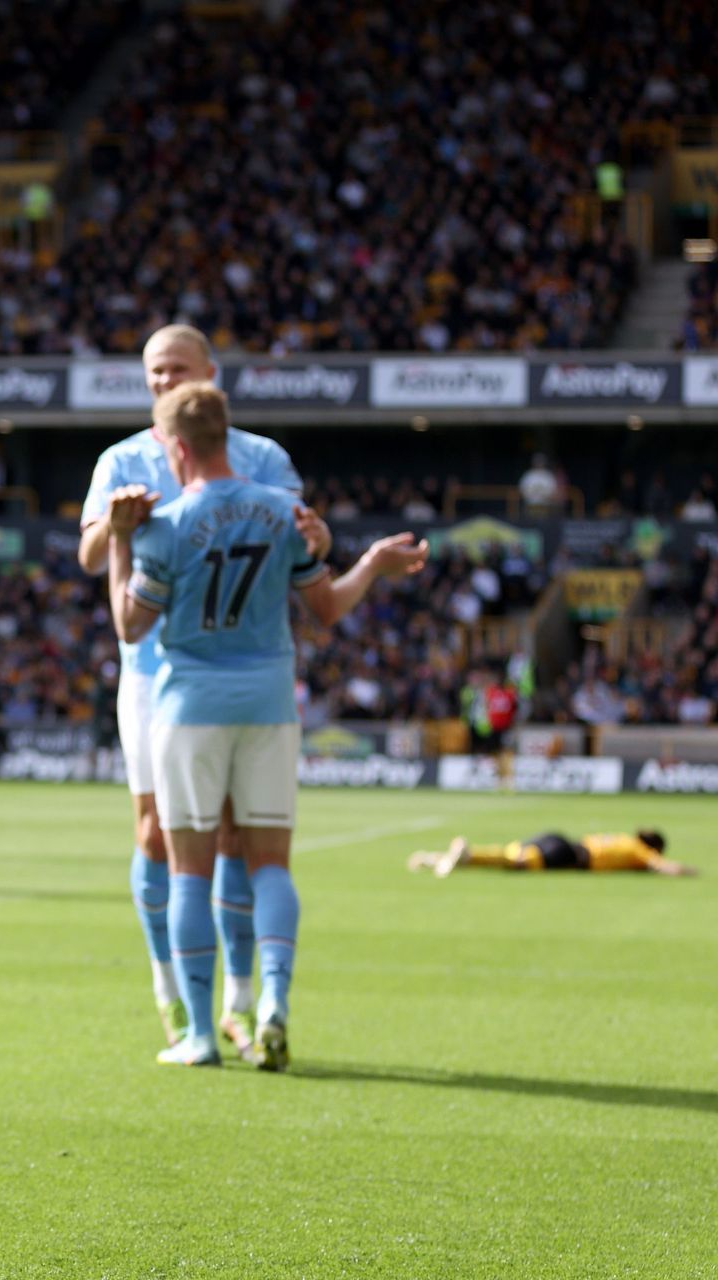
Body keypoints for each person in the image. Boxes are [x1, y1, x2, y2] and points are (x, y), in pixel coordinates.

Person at [107, 382, 427, 1070]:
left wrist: (120, 545)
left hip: (189, 708)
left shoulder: (164, 524)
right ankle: (273, 1003)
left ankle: (198, 1034)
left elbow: (130, 626)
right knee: (271, 865)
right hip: (270, 705)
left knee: (190, 871)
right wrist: (370, 562)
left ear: (178, 447)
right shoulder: (288, 513)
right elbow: (329, 608)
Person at [77, 323, 330, 1053]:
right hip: (155, 677)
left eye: (177, 368)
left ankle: (238, 1003)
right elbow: (91, 553)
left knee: (228, 838)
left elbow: (302, 538)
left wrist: (329, 545)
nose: (164, 380)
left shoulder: (261, 457)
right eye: (155, 371)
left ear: (211, 374)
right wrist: (117, 527)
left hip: (222, 667)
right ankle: (173, 988)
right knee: (157, 833)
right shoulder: (122, 458)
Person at [409, 831, 694, 878]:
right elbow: (662, 866)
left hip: (561, 839)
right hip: (569, 855)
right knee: (516, 862)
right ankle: (467, 855)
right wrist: (689, 871)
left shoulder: (623, 838)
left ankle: (432, 858)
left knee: (510, 853)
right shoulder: (640, 850)